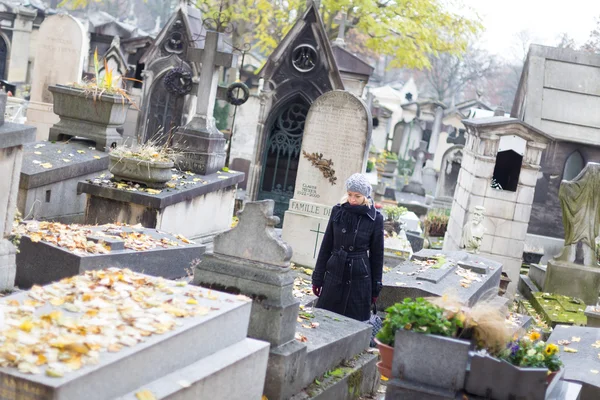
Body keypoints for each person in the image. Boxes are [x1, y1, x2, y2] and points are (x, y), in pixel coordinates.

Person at [311, 173, 384, 322]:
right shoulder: (338, 211)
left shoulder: (375, 218)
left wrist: (376, 287)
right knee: (324, 320)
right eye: (350, 194)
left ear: (365, 195)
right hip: (334, 272)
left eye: (357, 196)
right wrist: (317, 278)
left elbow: (377, 256)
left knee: (353, 323)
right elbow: (326, 245)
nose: (352, 200)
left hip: (359, 277)